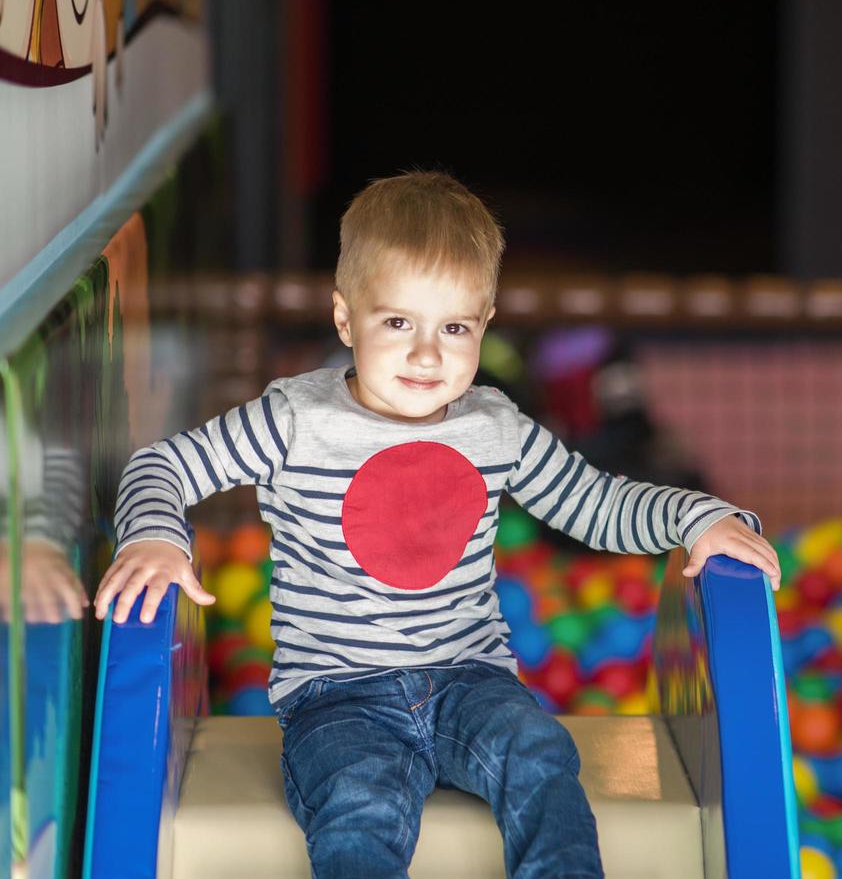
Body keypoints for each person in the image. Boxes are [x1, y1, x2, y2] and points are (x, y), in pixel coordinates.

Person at [91, 171, 782, 879]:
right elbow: (161, 467)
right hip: (338, 692)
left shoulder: (495, 428)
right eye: (397, 323)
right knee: (358, 801)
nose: (427, 354)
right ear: (344, 319)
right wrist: (154, 535)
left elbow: (598, 504)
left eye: (454, 327)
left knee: (538, 755)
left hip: (470, 679)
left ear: (483, 325)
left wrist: (698, 514)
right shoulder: (294, 420)